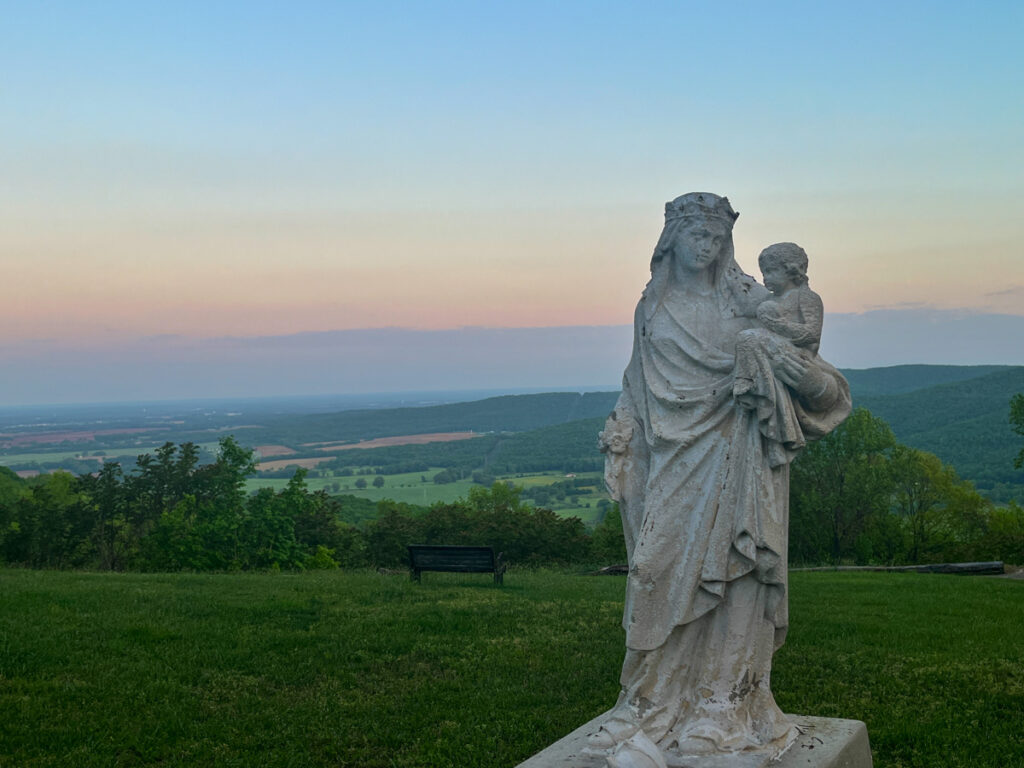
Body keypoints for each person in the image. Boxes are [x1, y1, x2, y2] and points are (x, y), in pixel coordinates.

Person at [589, 193, 851, 765]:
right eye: (695, 237)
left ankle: (722, 707)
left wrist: (786, 373)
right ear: (671, 241)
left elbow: (824, 384)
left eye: (715, 239)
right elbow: (636, 380)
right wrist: (621, 431)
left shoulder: (750, 304)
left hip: (741, 452)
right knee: (653, 570)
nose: (705, 248)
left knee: (739, 578)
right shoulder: (651, 309)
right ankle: (646, 704)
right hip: (673, 460)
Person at [733, 242, 825, 466]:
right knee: (748, 337)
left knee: (749, 338)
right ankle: (767, 412)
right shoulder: (769, 300)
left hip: (797, 355)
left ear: (791, 270)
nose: (766, 278)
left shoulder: (807, 298)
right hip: (773, 352)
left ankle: (745, 383)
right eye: (764, 272)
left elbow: (811, 333)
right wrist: (732, 277)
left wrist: (777, 324)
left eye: (772, 272)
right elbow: (745, 309)